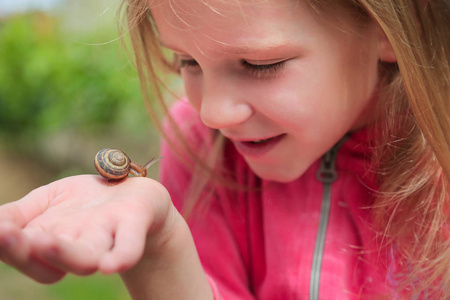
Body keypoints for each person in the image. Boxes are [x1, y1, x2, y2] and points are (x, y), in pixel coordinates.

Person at [0, 0, 448, 298]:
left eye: (259, 64)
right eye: (187, 62)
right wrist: (163, 247)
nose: (213, 113)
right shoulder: (199, 144)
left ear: (388, 29)